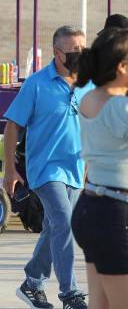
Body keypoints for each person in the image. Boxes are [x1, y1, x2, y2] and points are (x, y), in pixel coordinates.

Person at [3, 26, 89, 309]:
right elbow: (13, 124)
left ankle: (32, 283)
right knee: (64, 222)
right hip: (46, 168)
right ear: (57, 53)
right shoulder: (37, 83)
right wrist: (10, 170)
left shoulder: (89, 83)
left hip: (76, 169)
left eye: (83, 49)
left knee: (54, 227)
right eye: (74, 51)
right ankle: (70, 293)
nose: (80, 55)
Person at [72, 28, 128, 309]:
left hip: (91, 207)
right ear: (122, 67)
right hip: (115, 214)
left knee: (100, 303)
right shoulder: (120, 107)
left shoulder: (90, 98)